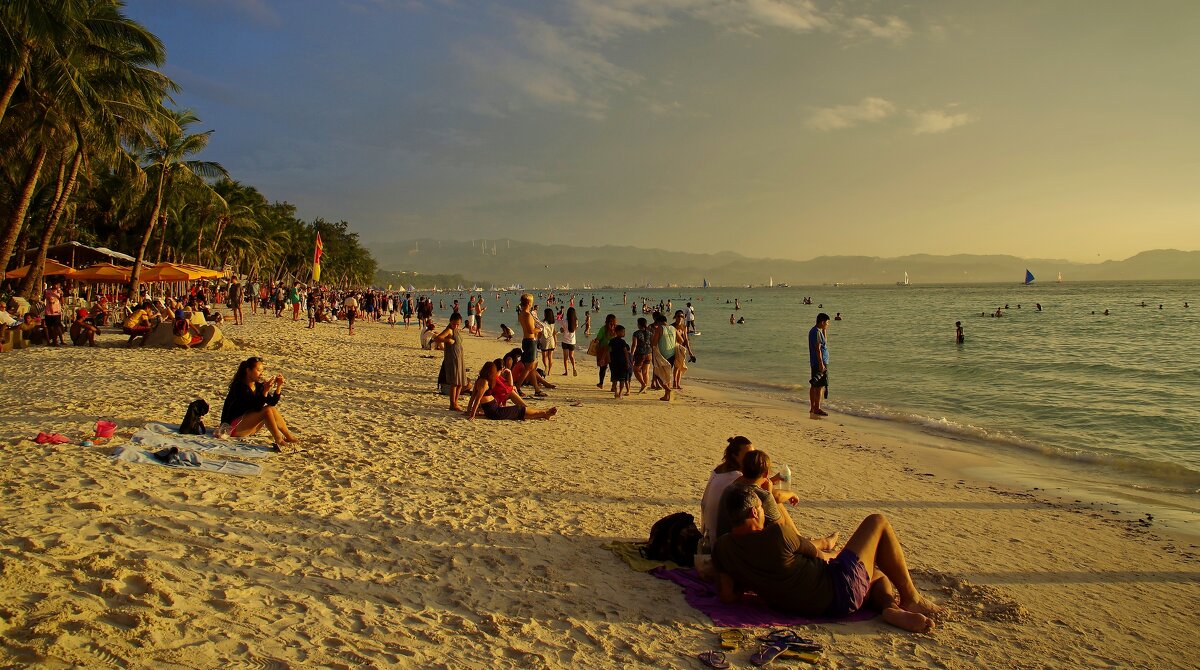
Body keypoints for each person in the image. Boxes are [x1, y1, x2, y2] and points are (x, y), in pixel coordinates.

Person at [713, 485, 943, 633]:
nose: (764, 512)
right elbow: (823, 557)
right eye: (762, 509)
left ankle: (889, 608)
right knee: (877, 521)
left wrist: (754, 579)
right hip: (837, 591)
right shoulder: (777, 535)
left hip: (798, 604)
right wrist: (842, 554)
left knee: (878, 576)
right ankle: (911, 597)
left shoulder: (723, 548)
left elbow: (728, 596)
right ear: (754, 512)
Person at [220, 356, 297, 451]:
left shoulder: (258, 386)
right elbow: (257, 407)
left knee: (271, 408)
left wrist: (279, 386)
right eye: (258, 370)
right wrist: (265, 391)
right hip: (231, 428)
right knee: (267, 410)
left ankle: (288, 436)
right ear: (248, 371)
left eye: (262, 371)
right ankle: (278, 439)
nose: (261, 374)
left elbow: (272, 402)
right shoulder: (239, 387)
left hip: (246, 425)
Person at [465, 361, 558, 421]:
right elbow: (477, 399)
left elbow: (472, 397)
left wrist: (468, 411)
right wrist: (472, 415)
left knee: (520, 411)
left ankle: (544, 413)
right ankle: (544, 413)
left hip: (494, 410)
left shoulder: (479, 380)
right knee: (519, 410)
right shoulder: (484, 383)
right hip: (495, 412)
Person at [433, 312, 467, 411]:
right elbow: (437, 338)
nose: (456, 325)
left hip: (459, 357)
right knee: (455, 382)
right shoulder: (449, 330)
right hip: (452, 357)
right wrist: (447, 341)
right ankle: (452, 404)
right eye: (454, 324)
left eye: (458, 324)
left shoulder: (455, 329)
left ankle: (455, 402)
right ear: (450, 321)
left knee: (460, 382)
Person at [516, 294, 545, 397]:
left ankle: (536, 389)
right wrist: (541, 328)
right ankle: (517, 387)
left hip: (527, 340)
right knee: (528, 367)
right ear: (529, 303)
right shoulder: (527, 315)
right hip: (530, 341)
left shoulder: (522, 314)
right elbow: (531, 330)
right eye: (531, 301)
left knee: (532, 367)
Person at [808, 313, 830, 416]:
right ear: (822, 322)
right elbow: (818, 349)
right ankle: (817, 408)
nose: (828, 324)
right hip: (819, 362)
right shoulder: (816, 332)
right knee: (819, 386)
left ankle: (813, 407)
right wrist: (821, 363)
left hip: (815, 361)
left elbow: (824, 342)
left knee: (814, 385)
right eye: (827, 322)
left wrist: (825, 330)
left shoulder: (816, 331)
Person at [651, 312, 676, 401]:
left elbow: (654, 343)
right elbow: (680, 340)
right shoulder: (673, 328)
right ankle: (666, 396)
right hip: (672, 354)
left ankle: (667, 390)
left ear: (659, 322)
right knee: (668, 375)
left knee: (658, 375)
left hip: (662, 355)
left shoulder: (660, 328)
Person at [608, 324, 632, 398]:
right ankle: (620, 393)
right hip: (622, 362)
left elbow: (608, 351)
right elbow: (625, 352)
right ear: (617, 332)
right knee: (622, 379)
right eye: (622, 332)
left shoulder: (611, 341)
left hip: (613, 362)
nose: (623, 333)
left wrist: (608, 359)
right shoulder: (622, 342)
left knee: (614, 379)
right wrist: (628, 362)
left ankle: (616, 393)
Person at [594, 313, 617, 389]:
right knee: (613, 369)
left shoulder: (603, 329)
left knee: (603, 369)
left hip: (604, 351)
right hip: (614, 351)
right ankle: (614, 386)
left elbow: (598, 339)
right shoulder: (616, 329)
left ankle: (601, 383)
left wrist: (595, 344)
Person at [630, 317, 652, 393]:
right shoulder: (650, 333)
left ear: (639, 324)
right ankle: (644, 387)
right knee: (645, 372)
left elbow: (634, 345)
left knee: (636, 370)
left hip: (640, 353)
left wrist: (631, 354)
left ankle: (643, 384)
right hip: (649, 353)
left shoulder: (636, 333)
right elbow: (652, 343)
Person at [560, 307, 578, 376]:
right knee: (571, 356)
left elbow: (562, 330)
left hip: (565, 340)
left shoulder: (564, 321)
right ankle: (574, 368)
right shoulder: (575, 321)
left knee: (565, 358)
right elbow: (575, 329)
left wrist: (562, 329)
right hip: (572, 341)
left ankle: (566, 372)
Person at [539, 307, 557, 376]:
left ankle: (546, 367)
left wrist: (538, 340)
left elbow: (540, 333)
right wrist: (555, 342)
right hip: (551, 340)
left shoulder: (543, 322)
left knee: (544, 356)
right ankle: (549, 370)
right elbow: (554, 333)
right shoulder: (553, 322)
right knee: (550, 357)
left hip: (544, 340)